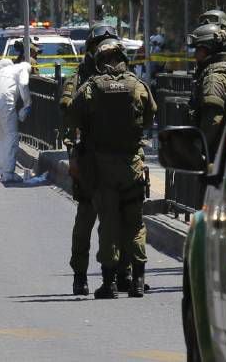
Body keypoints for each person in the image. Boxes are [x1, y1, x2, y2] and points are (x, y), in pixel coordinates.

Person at [68, 38, 156, 299]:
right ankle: (138, 281)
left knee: (107, 224)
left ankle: (109, 284)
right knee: (136, 223)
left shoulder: (91, 87)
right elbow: (151, 114)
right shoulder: (137, 85)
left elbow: (73, 115)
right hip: (132, 165)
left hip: (101, 166)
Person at [60, 22, 118, 296]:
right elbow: (67, 112)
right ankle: (80, 275)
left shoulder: (123, 77)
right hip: (88, 157)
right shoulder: (79, 79)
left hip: (118, 156)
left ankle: (119, 275)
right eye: (100, 47)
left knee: (120, 220)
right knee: (85, 218)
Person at [187, 23, 226, 160]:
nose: (195, 55)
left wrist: (196, 150)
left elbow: (213, 120)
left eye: (198, 50)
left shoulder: (214, 78)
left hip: (219, 156)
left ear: (209, 49)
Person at [0, 61, 32, 182]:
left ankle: (2, 170)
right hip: (4, 100)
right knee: (11, 136)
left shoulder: (4, 71)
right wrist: (27, 103)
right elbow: (23, 84)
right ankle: (8, 174)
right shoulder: (24, 68)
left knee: (0, 136)